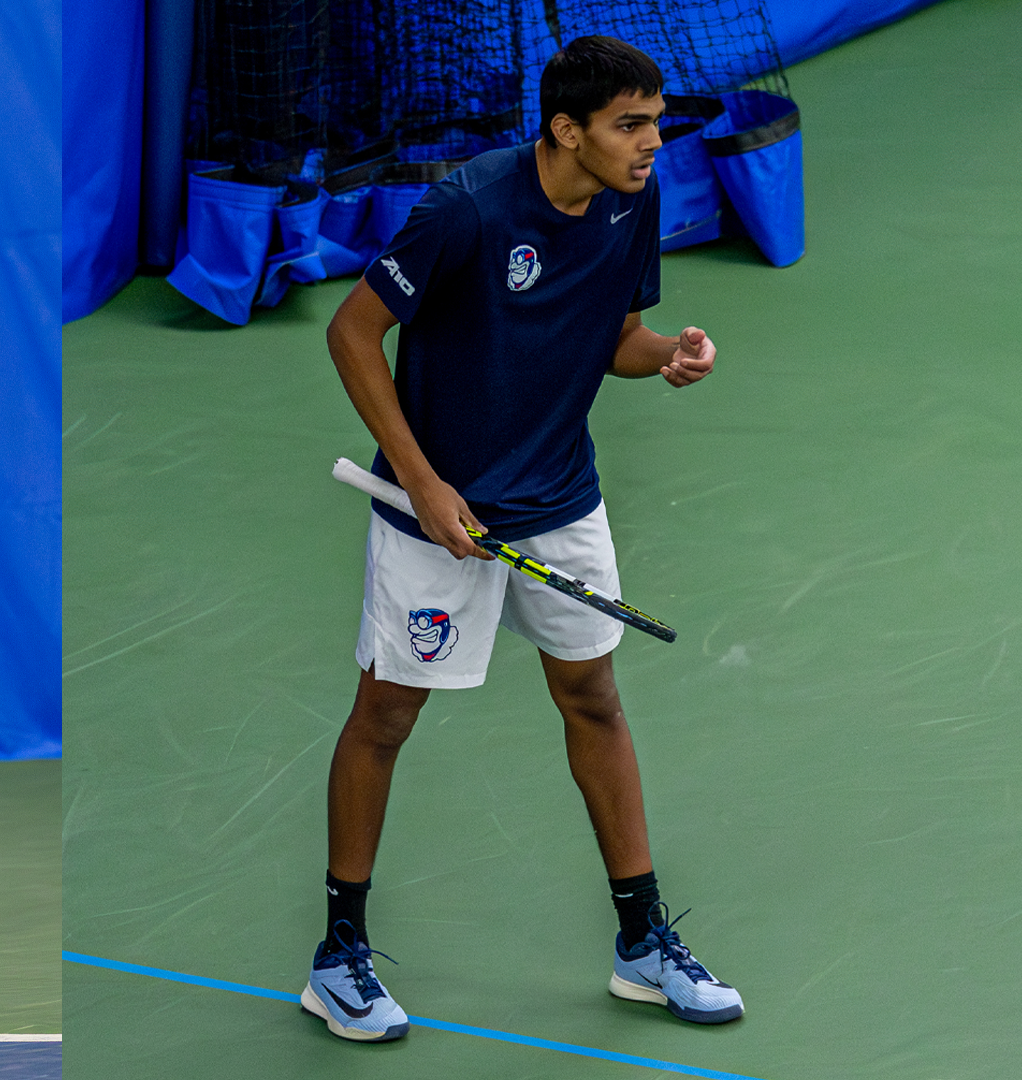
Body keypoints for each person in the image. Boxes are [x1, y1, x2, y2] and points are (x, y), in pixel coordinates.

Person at [307, 36, 740, 1042]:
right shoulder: (467, 208)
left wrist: (665, 355)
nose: (651, 141)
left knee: (593, 696)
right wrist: (421, 482)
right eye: (630, 124)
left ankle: (641, 943)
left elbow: (613, 338)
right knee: (385, 717)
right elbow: (351, 332)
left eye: (654, 120)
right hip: (438, 514)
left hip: (561, 500)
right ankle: (338, 957)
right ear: (566, 129)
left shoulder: (633, 205)